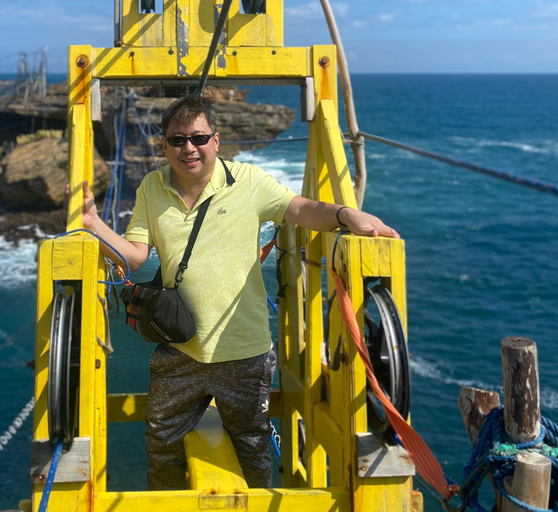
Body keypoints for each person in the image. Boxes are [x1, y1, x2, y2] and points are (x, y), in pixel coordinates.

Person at [80, 95, 399, 490]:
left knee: (252, 449)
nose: (189, 148)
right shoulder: (151, 187)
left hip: (245, 352)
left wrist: (346, 215)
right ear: (164, 145)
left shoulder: (248, 181)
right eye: (177, 140)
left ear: (216, 140)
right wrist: (94, 224)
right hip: (180, 348)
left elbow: (301, 209)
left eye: (199, 138)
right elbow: (134, 256)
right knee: (161, 446)